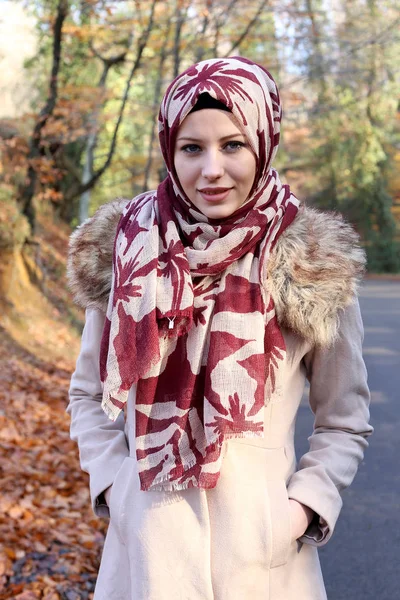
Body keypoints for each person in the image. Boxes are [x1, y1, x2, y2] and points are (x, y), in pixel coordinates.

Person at [67, 57, 372, 600]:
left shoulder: (311, 261)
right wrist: (116, 487)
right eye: (192, 148)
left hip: (266, 569)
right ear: (169, 148)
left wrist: (301, 511)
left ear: (263, 140)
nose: (212, 169)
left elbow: (344, 419)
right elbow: (87, 394)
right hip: (145, 562)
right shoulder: (128, 252)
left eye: (232, 145)